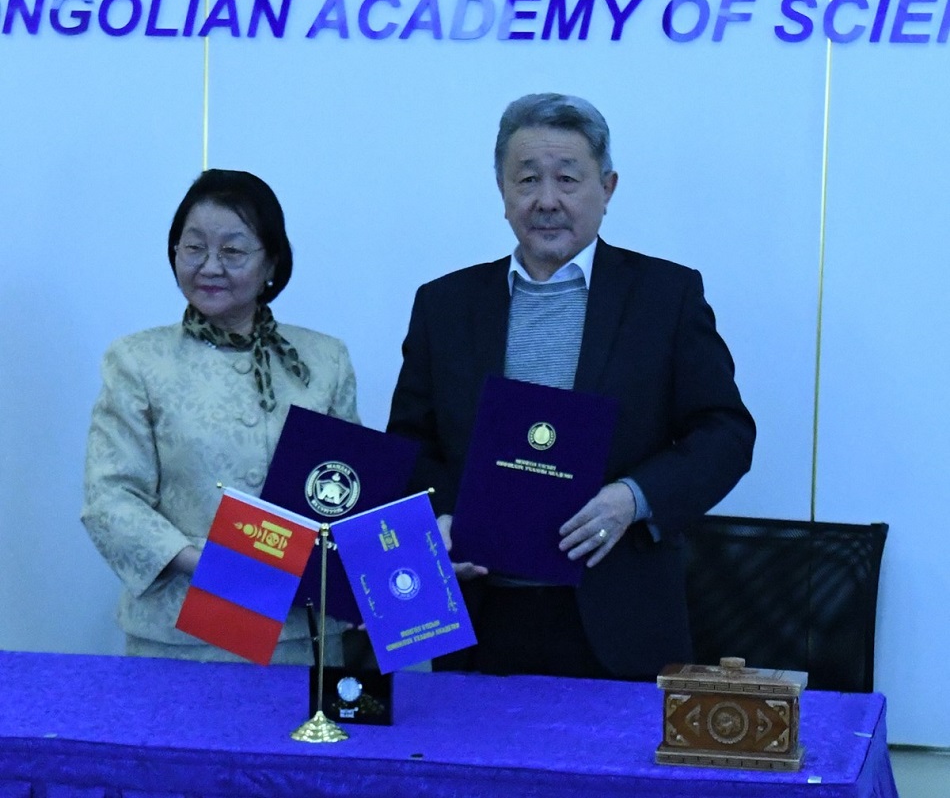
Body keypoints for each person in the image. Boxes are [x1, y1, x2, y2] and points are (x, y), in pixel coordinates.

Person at [387, 93, 755, 681]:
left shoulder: (665, 297)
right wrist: (443, 515)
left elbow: (725, 434)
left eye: (567, 178)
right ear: (502, 190)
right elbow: (409, 445)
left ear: (607, 188)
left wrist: (632, 498)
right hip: (482, 618)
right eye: (527, 179)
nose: (547, 200)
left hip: (621, 616)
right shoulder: (445, 305)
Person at [82, 169, 358, 663]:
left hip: (302, 636)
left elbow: (349, 492)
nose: (210, 266)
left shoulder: (324, 360)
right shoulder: (137, 361)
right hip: (180, 638)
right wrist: (210, 565)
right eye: (194, 248)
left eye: (232, 251)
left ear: (272, 260)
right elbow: (110, 498)